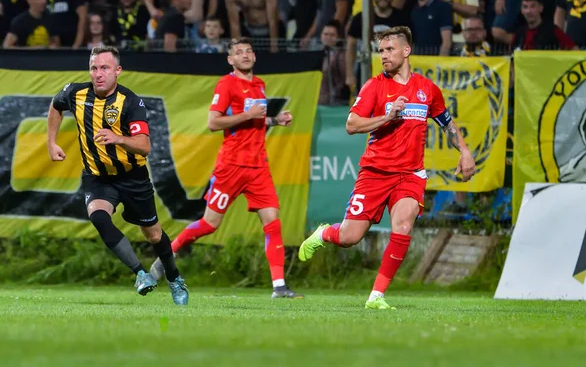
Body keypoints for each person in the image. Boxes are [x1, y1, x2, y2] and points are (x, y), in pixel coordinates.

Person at [298, 26, 476, 310]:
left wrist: (465, 151)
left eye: (389, 49)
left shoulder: (427, 90)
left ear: (407, 51)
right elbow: (351, 125)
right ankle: (324, 233)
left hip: (410, 174)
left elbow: (447, 124)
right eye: (380, 50)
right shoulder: (374, 86)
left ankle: (376, 296)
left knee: (403, 226)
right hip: (375, 172)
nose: (383, 55)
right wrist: (386, 116)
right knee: (349, 238)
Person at [150, 37, 303, 300]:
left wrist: (275, 120)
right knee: (210, 224)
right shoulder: (227, 84)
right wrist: (248, 115)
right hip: (231, 166)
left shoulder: (259, 84)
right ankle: (167, 255)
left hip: (258, 167)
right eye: (238, 52)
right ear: (230, 60)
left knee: (273, 222)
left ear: (254, 56)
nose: (245, 55)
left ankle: (279, 286)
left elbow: (255, 120)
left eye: (248, 51)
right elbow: (213, 122)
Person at [46, 46, 188, 306]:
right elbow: (56, 106)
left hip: (132, 177)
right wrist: (51, 142)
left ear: (118, 71)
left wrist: (118, 138)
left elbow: (144, 146)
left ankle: (174, 277)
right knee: (98, 217)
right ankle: (140, 274)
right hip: (98, 177)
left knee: (154, 235)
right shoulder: (75, 93)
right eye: (94, 68)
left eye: (104, 68)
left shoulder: (131, 102)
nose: (98, 74)